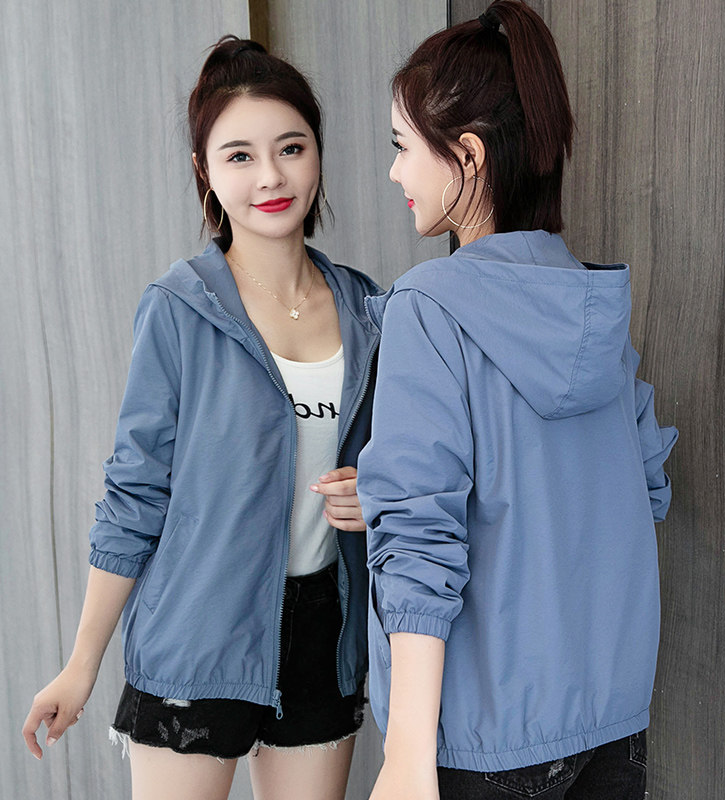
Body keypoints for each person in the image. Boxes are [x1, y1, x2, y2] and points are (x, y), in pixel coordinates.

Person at [22, 36, 380, 800]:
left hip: (323, 633)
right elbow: (134, 494)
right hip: (199, 626)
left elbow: (411, 469)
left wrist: (376, 490)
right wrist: (82, 663)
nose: (271, 176)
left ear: (318, 154)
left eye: (291, 148)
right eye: (240, 156)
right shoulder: (180, 308)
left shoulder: (368, 310)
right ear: (205, 171)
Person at [356, 3, 678, 799]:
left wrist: (405, 757)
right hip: (613, 725)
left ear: (466, 155)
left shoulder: (428, 306)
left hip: (483, 740)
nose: (395, 173)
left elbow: (421, 544)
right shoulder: (592, 306)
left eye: (403, 148)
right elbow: (639, 489)